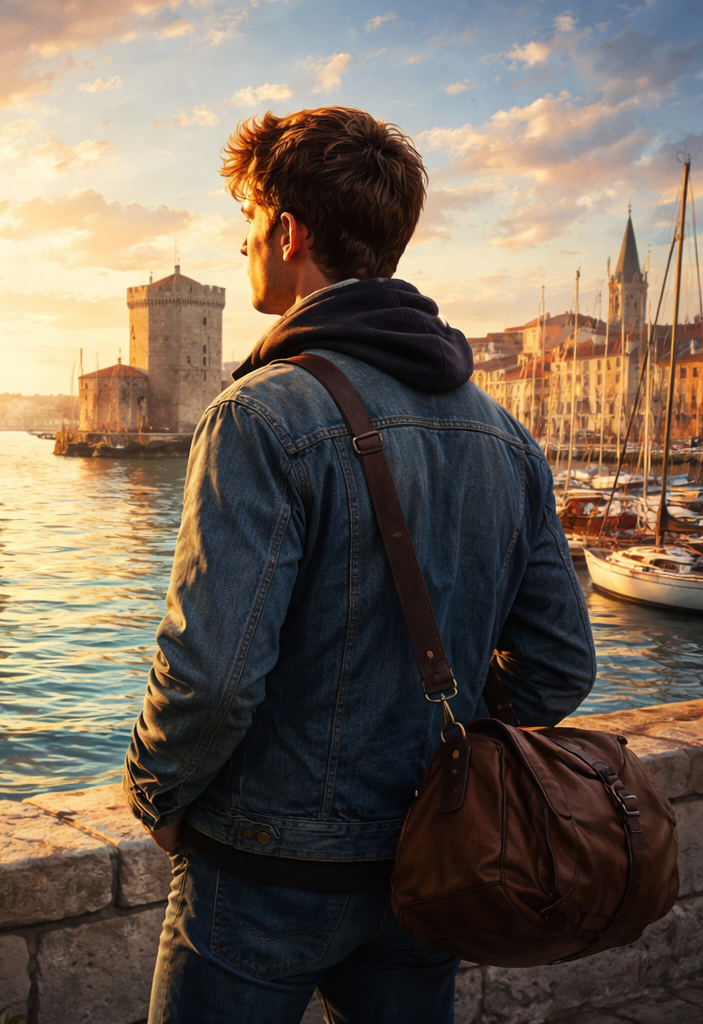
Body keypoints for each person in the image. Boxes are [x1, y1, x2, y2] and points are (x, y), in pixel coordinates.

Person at [123, 106, 596, 1024]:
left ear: (289, 233)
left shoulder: (259, 417)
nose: (245, 244)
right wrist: (441, 758)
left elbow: (213, 680)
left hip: (262, 868)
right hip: (430, 859)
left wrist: (157, 793)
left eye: (249, 223)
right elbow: (560, 666)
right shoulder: (506, 436)